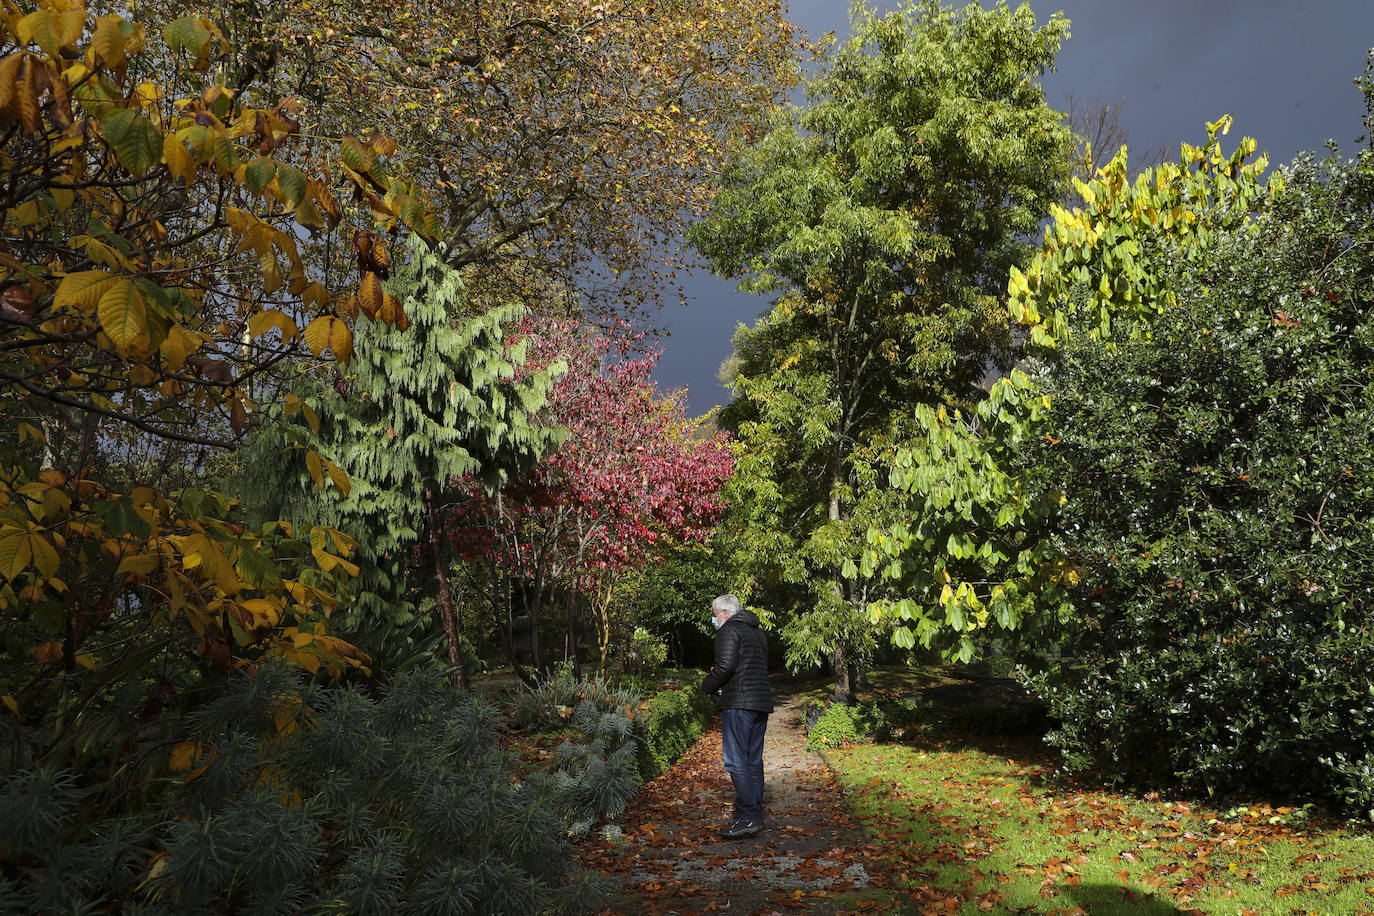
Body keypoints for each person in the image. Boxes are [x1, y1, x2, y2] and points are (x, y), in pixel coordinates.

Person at [700, 594, 773, 838]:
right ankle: (753, 814)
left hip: (738, 703)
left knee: (735, 760)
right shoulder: (757, 633)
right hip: (759, 702)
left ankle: (748, 817)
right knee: (753, 760)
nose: (713, 618)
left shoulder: (728, 631)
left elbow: (725, 666)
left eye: (714, 613)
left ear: (724, 613)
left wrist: (707, 686)